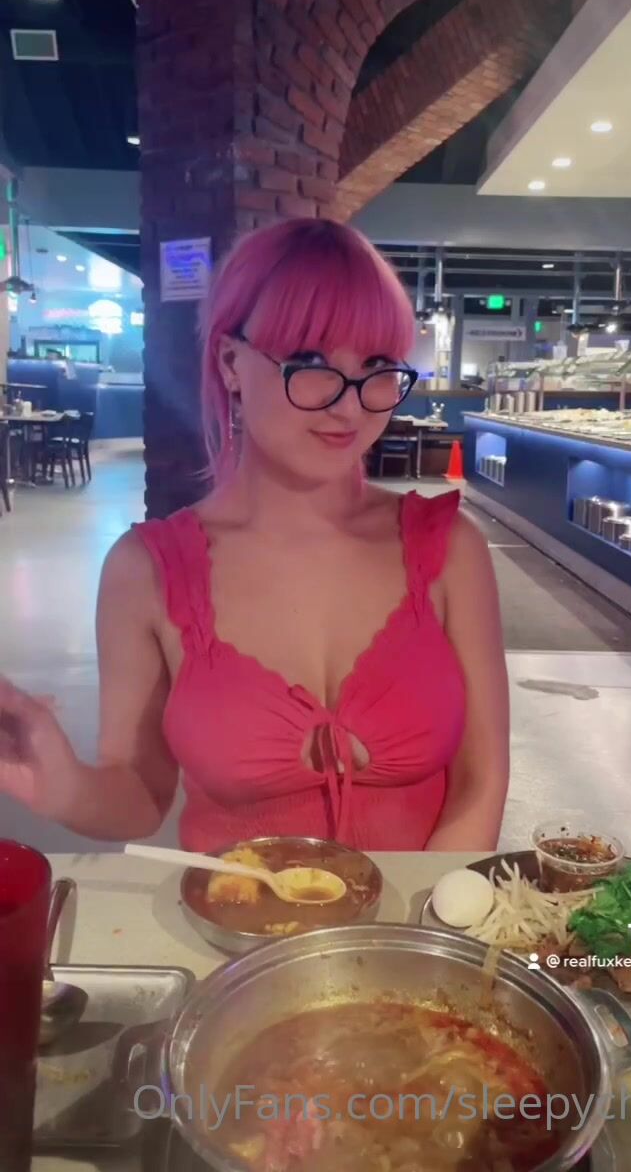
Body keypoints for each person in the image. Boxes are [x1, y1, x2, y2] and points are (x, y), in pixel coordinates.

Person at [0, 220, 509, 852]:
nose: (349, 406)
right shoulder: (148, 571)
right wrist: (62, 787)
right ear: (230, 361)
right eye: (311, 362)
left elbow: (481, 780)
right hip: (233, 913)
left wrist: (429, 912)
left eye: (376, 366)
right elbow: (139, 793)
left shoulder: (449, 550)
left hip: (417, 916)